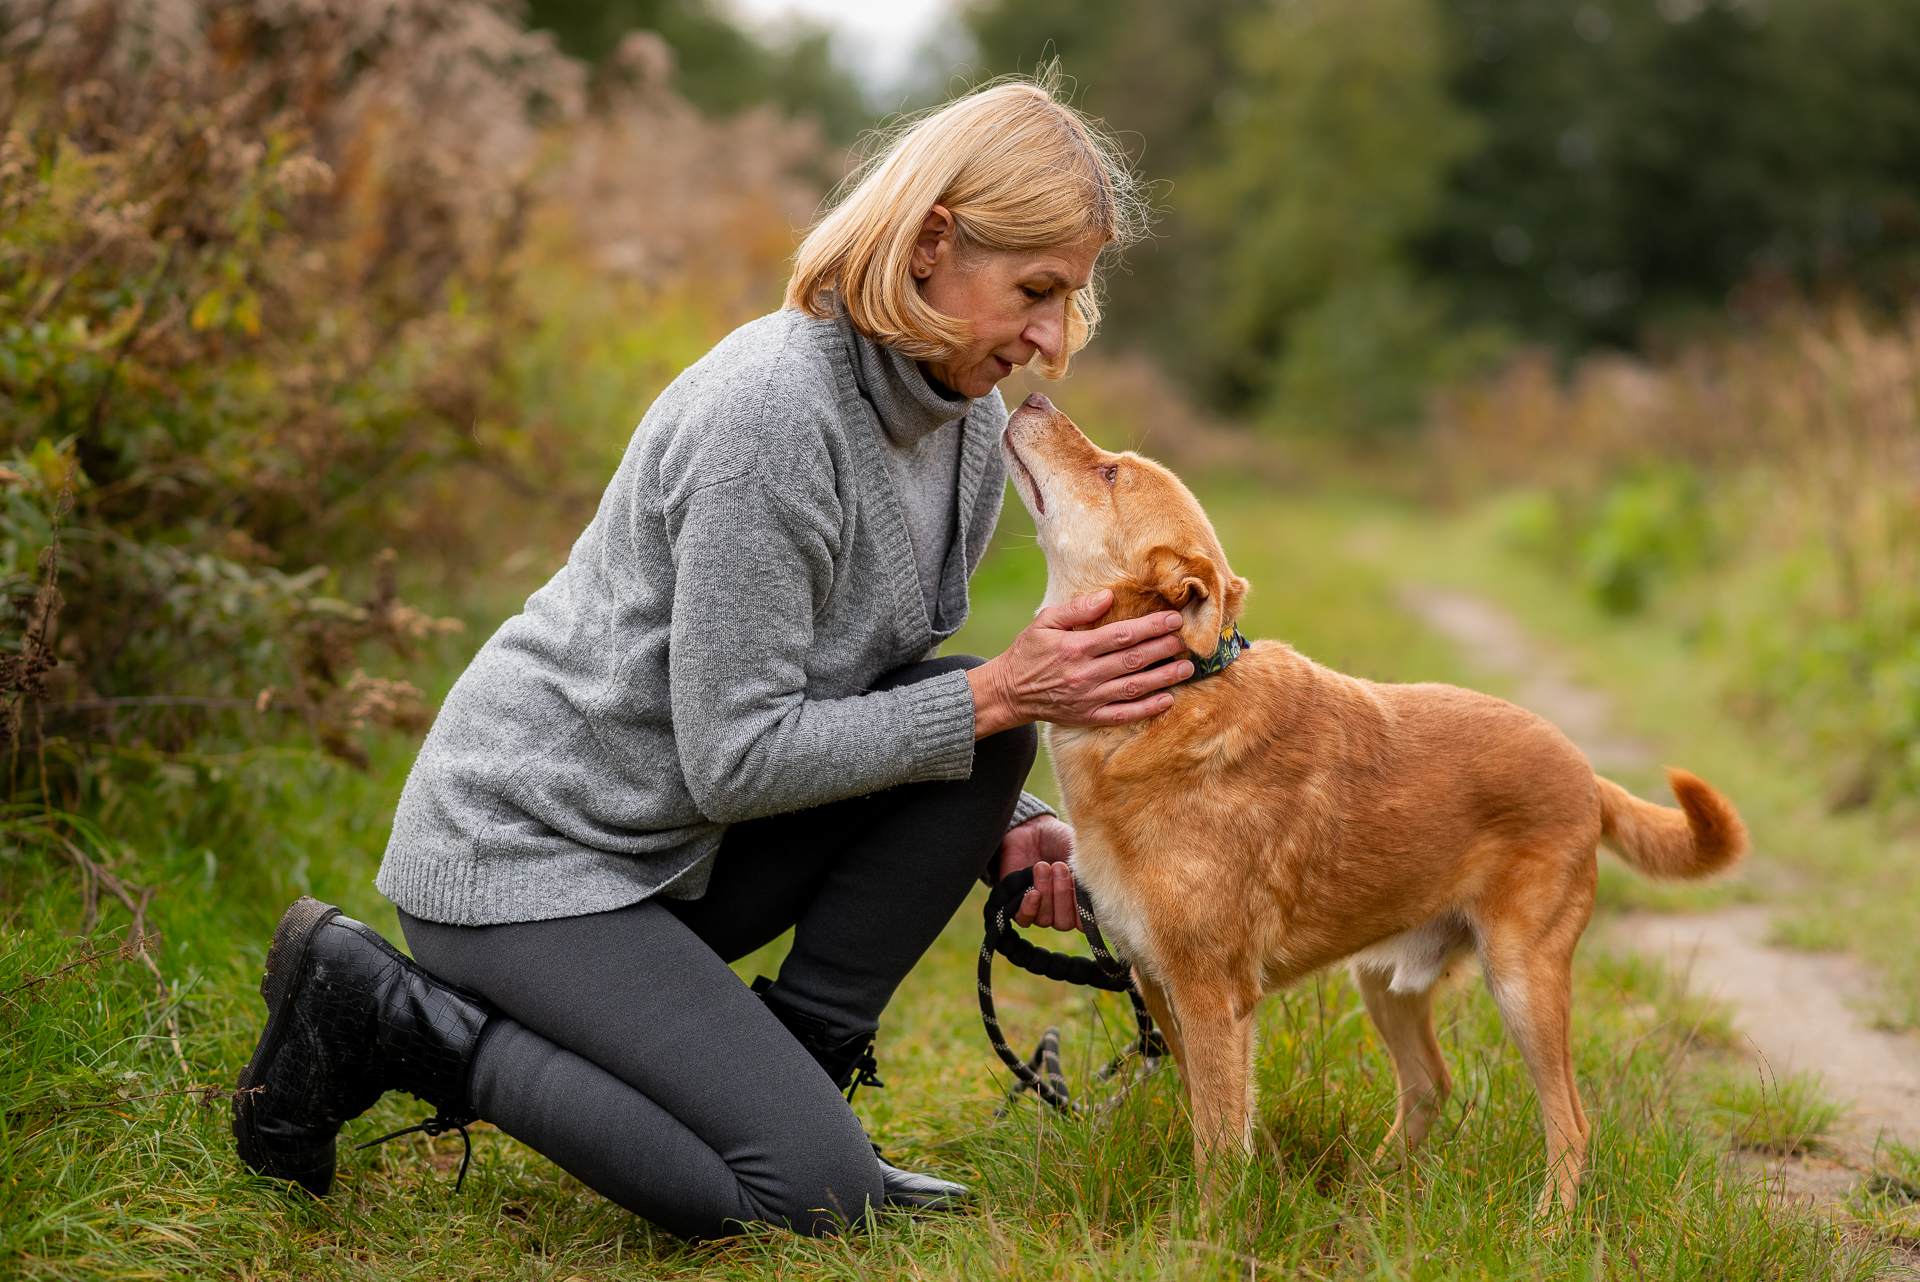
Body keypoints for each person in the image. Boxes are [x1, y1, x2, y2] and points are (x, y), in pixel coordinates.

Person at [231, 74, 1197, 1240]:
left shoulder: (966, 420)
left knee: (980, 724)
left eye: (1071, 297)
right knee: (801, 1197)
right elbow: (737, 758)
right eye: (1035, 290)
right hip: (531, 862)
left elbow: (886, 686)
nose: (1052, 335)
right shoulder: (773, 418)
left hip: (674, 842)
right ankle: (391, 1014)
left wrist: (1013, 811)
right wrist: (1002, 692)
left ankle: (792, 1069)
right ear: (933, 242)